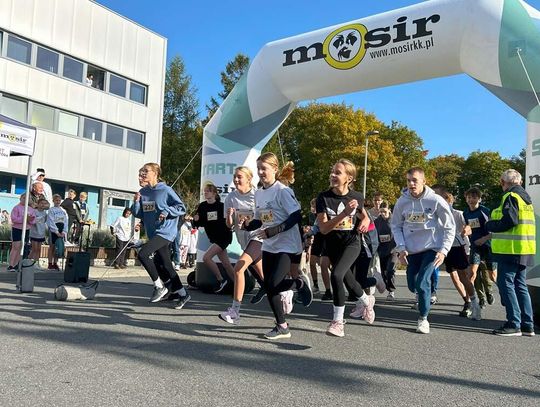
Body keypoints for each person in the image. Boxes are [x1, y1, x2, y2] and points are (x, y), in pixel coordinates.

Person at [244, 153, 312, 339]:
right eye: (258, 168)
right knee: (269, 285)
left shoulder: (283, 191)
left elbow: (296, 216)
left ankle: (297, 283)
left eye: (264, 168)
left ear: (275, 169)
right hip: (269, 244)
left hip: (287, 244)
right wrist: (248, 225)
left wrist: (274, 231)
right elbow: (260, 219)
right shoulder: (258, 193)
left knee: (273, 283)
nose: (260, 172)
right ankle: (282, 326)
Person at [391, 167, 455, 334]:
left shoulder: (435, 200)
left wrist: (444, 250)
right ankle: (421, 294)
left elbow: (450, 227)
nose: (411, 184)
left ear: (424, 182)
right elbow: (396, 226)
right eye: (408, 181)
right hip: (411, 250)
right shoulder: (401, 202)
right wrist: (401, 248)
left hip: (431, 249)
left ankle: (423, 319)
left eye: (415, 181)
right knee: (413, 285)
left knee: (423, 282)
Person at [316, 159, 374, 338]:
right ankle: (366, 300)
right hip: (333, 245)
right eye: (332, 171)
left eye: (338, 173)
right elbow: (324, 229)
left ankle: (338, 322)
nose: (333, 175)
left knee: (336, 275)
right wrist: (343, 214)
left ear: (349, 178)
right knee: (349, 282)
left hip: (352, 243)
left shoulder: (356, 197)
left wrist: (364, 221)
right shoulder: (323, 198)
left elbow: (365, 217)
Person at [131, 163, 190, 308]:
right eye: (141, 171)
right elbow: (140, 213)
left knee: (143, 254)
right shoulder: (143, 192)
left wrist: (167, 211)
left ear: (155, 173)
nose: (143, 173)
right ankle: (182, 293)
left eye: (146, 171)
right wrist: (136, 202)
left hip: (166, 231)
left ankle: (159, 287)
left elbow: (181, 208)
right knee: (164, 264)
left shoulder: (165, 190)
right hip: (153, 233)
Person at [486, 169, 536, 337]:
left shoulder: (510, 197)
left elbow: (510, 221)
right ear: (520, 182)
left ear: (502, 182)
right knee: (520, 286)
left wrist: (491, 225)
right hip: (525, 248)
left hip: (511, 250)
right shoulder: (525, 199)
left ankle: (513, 323)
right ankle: (527, 324)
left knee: (506, 283)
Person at [219, 166, 266, 325]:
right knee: (266, 278)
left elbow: (266, 218)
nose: (236, 180)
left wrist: (250, 222)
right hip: (243, 240)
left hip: (258, 237)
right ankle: (289, 288)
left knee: (239, 268)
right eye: (235, 177)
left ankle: (235, 311)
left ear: (249, 179)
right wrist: (230, 217)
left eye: (240, 177)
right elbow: (229, 226)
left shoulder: (257, 195)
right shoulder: (230, 198)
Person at [441, 192, 481, 320]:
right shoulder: (436, 213)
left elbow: (469, 225)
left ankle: (474, 304)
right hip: (444, 248)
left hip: (459, 247)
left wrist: (466, 231)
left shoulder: (458, 214)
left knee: (464, 277)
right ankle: (466, 301)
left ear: (450, 202)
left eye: (446, 201)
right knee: (453, 276)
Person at [192, 183, 235, 293]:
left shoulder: (221, 206)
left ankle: (221, 280)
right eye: (205, 191)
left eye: (208, 191)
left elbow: (228, 222)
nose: (205, 193)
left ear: (214, 193)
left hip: (223, 237)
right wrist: (196, 220)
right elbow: (199, 223)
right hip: (214, 238)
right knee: (226, 264)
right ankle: (238, 284)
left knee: (206, 258)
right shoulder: (202, 206)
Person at [463, 187, 496, 309]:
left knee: (492, 275)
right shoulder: (465, 213)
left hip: (488, 246)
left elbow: (494, 230)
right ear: (466, 199)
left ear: (479, 199)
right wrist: (466, 230)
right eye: (469, 197)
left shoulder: (485, 211)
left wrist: (484, 239)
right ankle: (473, 301)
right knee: (472, 274)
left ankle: (489, 291)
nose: (472, 199)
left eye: (474, 197)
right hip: (475, 247)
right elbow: (468, 226)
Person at [308, 198, 332, 300]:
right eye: (312, 206)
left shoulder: (325, 214)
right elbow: (313, 229)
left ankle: (330, 289)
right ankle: (316, 285)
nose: (313, 208)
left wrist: (310, 231)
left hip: (326, 240)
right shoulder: (311, 216)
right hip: (317, 239)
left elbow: (319, 227)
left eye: (315, 206)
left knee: (326, 265)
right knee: (312, 262)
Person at [374, 205, 397, 300]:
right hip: (381, 250)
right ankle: (386, 286)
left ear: (389, 210)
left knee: (390, 269)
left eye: (385, 211)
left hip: (393, 249)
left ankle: (391, 291)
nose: (383, 214)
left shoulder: (395, 220)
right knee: (383, 271)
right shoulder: (376, 221)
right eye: (381, 211)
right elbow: (372, 233)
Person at [8, 193, 36, 271]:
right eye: (24, 198)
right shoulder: (16, 208)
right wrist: (24, 218)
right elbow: (14, 219)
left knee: (21, 247)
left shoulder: (31, 209)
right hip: (17, 229)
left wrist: (30, 220)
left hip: (26, 229)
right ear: (21, 198)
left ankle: (16, 264)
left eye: (28, 198)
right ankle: (11, 265)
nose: (25, 199)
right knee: (15, 247)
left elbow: (33, 221)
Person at [46, 194, 68, 270]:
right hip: (54, 230)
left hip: (61, 229)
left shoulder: (63, 210)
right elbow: (50, 221)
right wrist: (56, 231)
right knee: (52, 247)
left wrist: (64, 232)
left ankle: (55, 263)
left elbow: (66, 221)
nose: (58, 202)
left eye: (59, 200)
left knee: (58, 247)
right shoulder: (51, 210)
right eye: (56, 200)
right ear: (53, 201)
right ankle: (50, 263)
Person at [29, 198, 48, 268]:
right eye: (41, 203)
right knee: (34, 248)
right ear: (38, 204)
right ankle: (29, 262)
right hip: (34, 232)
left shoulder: (45, 213)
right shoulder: (34, 211)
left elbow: (45, 221)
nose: (43, 205)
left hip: (41, 233)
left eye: (44, 203)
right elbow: (31, 220)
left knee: (39, 249)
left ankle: (36, 262)